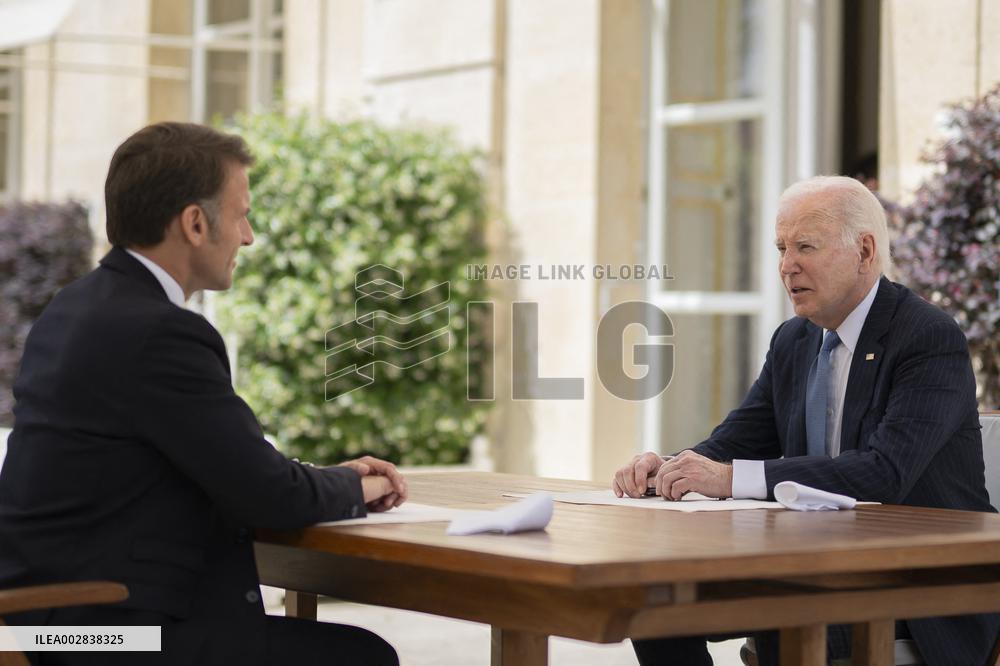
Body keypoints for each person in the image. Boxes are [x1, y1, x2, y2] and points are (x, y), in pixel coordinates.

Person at [0, 122, 406, 665]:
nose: (248, 235)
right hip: (100, 636)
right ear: (194, 223)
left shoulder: (74, 307)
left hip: (37, 627)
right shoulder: (157, 332)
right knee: (360, 658)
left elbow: (225, 466)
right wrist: (359, 486)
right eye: (241, 214)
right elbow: (267, 494)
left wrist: (319, 479)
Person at [613, 176, 998, 666]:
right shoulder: (794, 340)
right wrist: (669, 468)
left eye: (805, 247)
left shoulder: (926, 336)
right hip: (812, 569)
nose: (786, 266)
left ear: (864, 250)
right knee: (656, 607)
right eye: (781, 248)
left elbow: (883, 472)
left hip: (921, 588)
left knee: (791, 620)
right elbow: (735, 441)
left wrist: (728, 478)